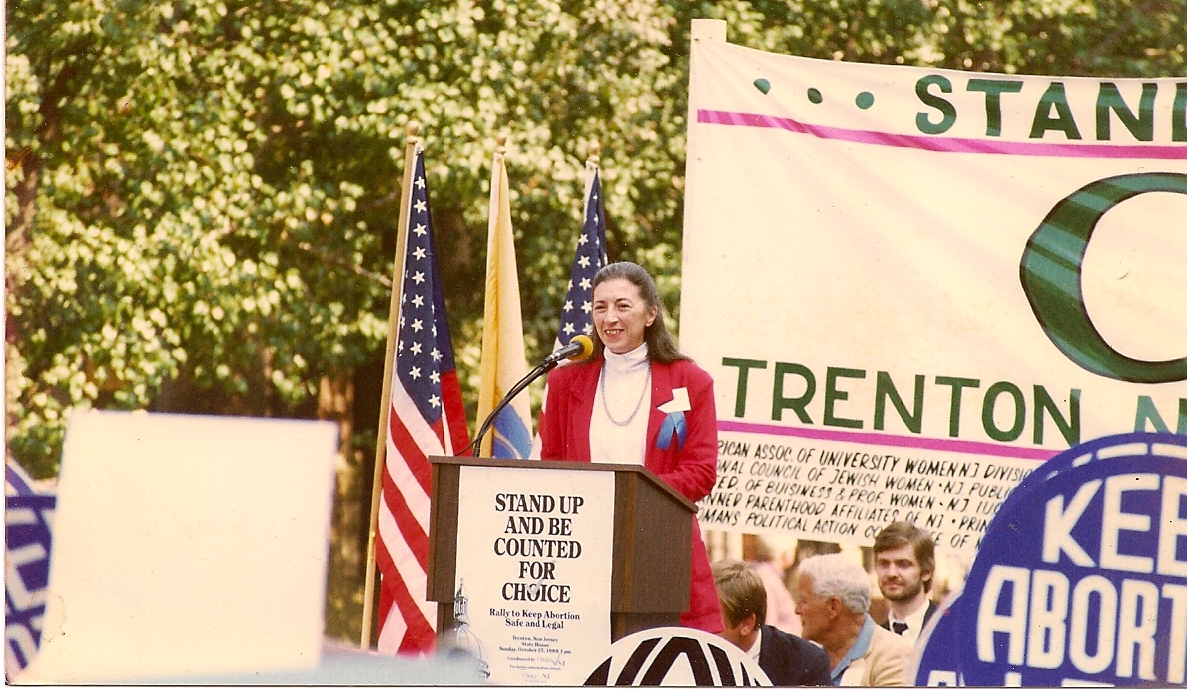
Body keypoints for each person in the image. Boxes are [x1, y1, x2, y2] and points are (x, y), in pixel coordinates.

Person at [538, 261, 723, 632]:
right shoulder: (565, 381)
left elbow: (700, 472)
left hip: (659, 547)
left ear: (651, 313)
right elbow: (552, 465)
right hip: (581, 550)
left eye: (623, 306)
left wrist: (630, 500)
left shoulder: (690, 381)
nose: (610, 318)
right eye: (600, 307)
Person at [794, 553, 911, 686]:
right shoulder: (809, 658)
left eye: (803, 601)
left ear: (833, 607)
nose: (797, 610)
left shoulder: (893, 656)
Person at [712, 559, 831, 686]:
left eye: (711, 618)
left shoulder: (806, 663)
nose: (699, 626)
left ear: (746, 624)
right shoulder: (694, 655)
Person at [873, 521, 937, 646]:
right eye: (884, 564)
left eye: (903, 564)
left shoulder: (950, 629)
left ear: (926, 572)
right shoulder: (872, 640)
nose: (891, 573)